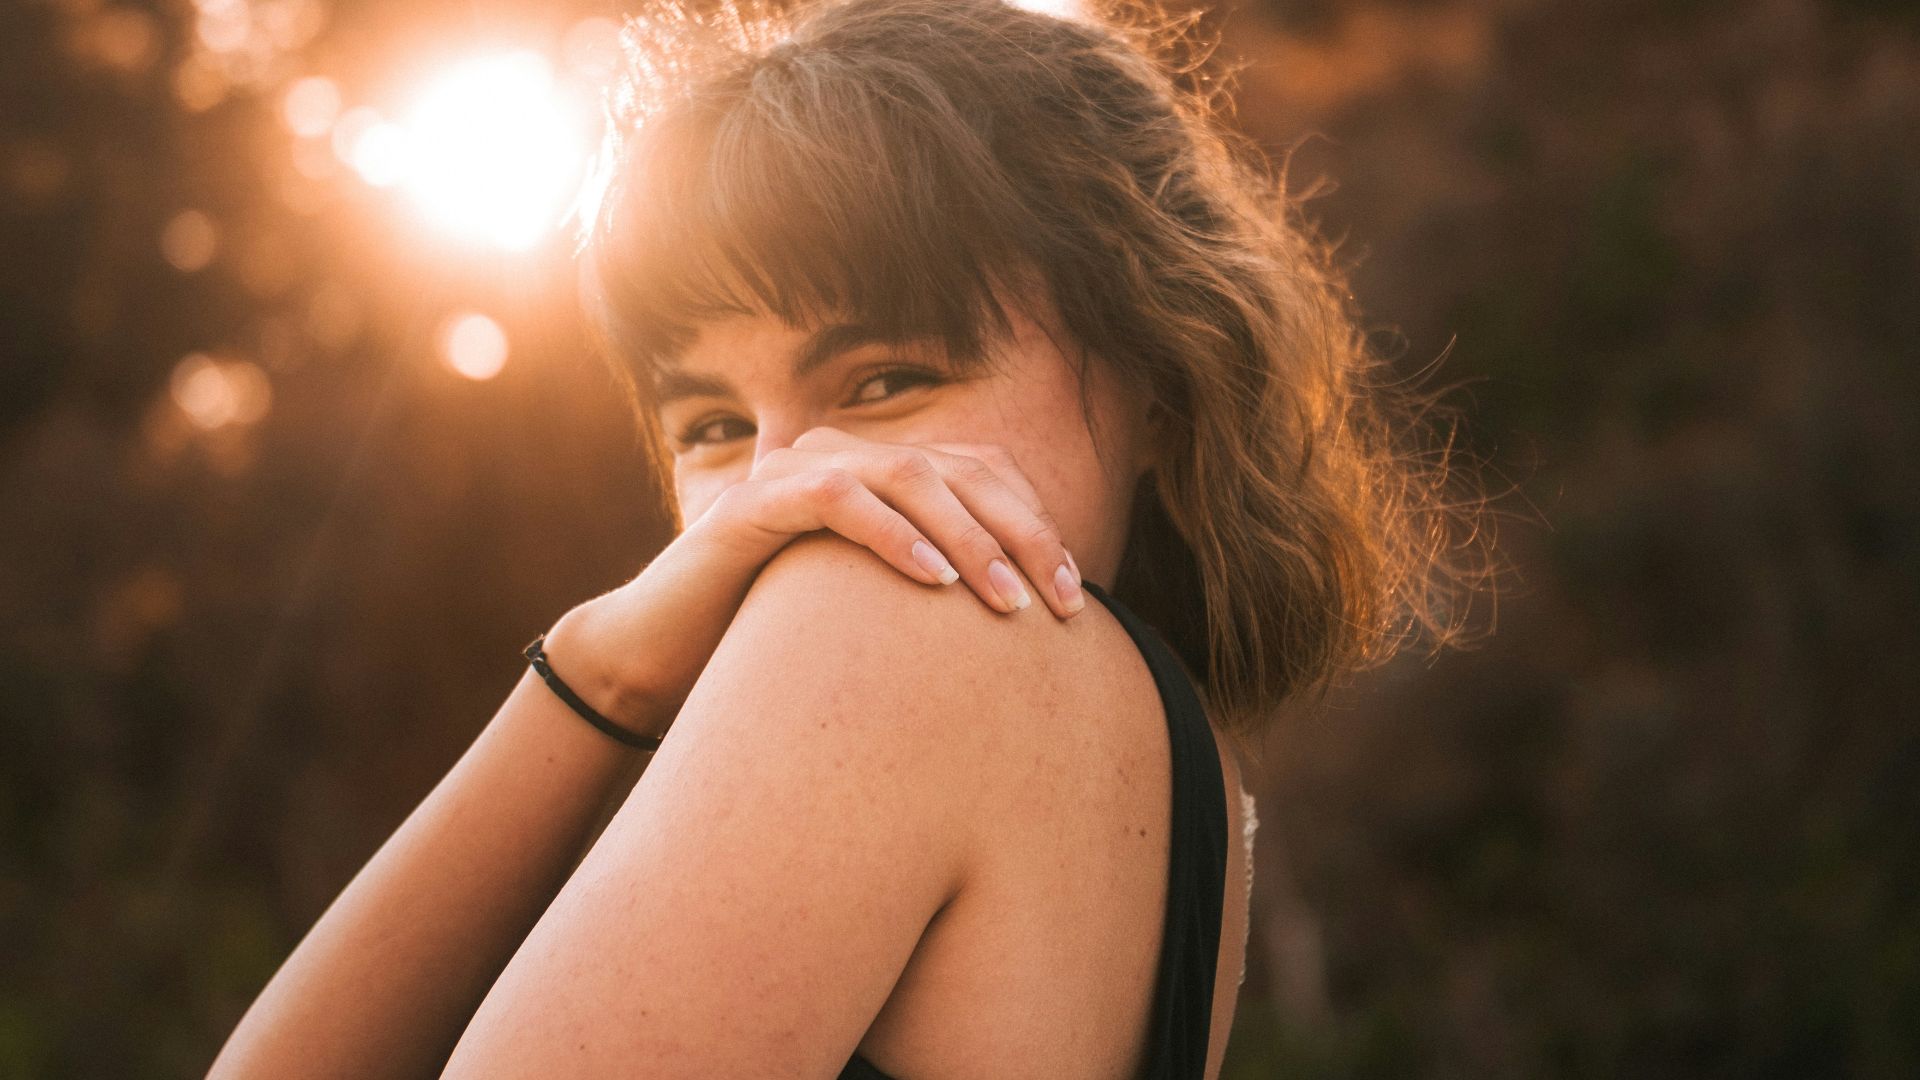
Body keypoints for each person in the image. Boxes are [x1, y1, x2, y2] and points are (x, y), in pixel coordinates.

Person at [210, 1, 1492, 1076]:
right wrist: (601, 670)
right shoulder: (1170, 774)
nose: (790, 478)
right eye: (712, 422)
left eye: (883, 382)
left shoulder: (909, 623)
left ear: (1156, 380)